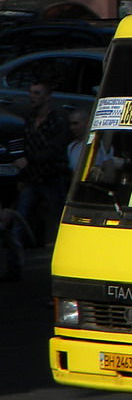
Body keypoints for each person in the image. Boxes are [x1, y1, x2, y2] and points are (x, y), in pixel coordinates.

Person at [4, 82, 69, 281]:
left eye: (36, 93)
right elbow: (26, 147)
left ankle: (64, 270)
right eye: (30, 93)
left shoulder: (57, 120)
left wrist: (30, 160)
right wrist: (22, 176)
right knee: (17, 222)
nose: (32, 97)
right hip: (32, 178)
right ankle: (14, 269)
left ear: (47, 96)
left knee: (61, 226)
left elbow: (54, 149)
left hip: (51, 177)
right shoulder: (30, 119)